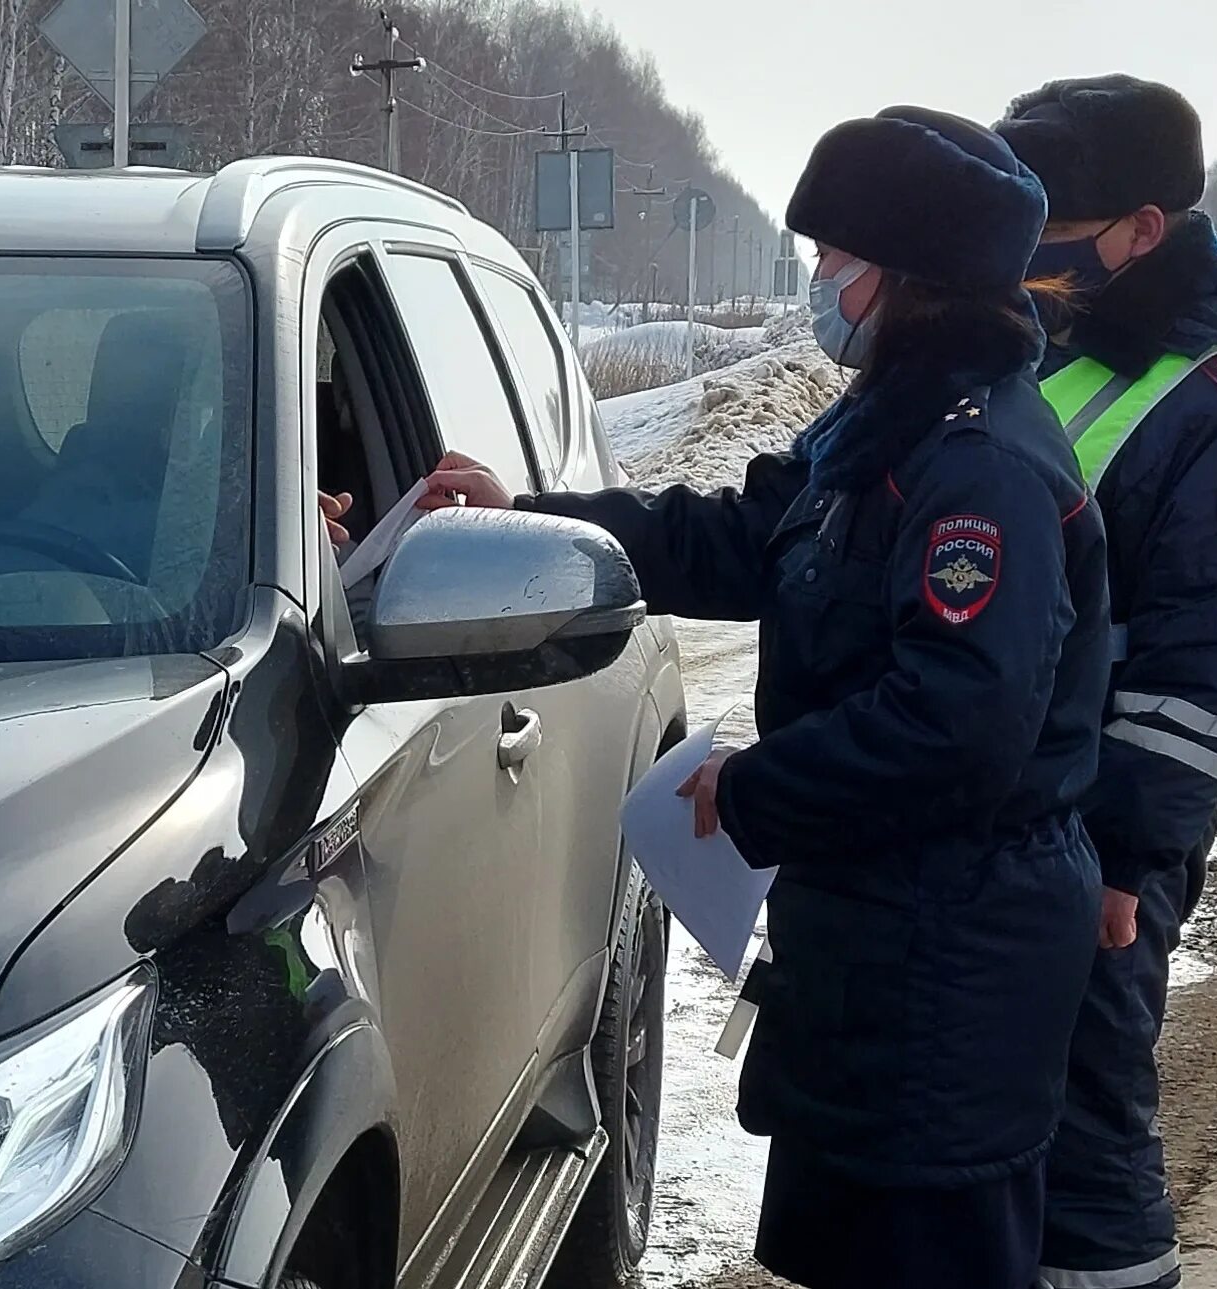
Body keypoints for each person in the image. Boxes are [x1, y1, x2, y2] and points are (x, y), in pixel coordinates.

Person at [422, 107, 1113, 1289]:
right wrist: (532, 517)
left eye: (831, 260)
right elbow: (743, 536)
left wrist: (748, 788)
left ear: (902, 275)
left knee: (928, 1256)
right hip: (878, 944)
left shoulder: (978, 468)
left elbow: (957, 728)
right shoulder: (882, 430)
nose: (817, 283)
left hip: (951, 964)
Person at [995, 75, 1217, 1289]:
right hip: (1012, 803)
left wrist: (1124, 855)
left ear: (1143, 229)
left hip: (1104, 816)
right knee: (1005, 1114)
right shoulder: (1051, 340)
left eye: (1052, 221)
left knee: (1085, 1120)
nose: (1027, 249)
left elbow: (1212, 651)